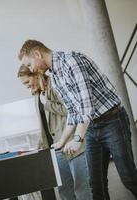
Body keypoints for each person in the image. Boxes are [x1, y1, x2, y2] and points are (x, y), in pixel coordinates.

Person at [18, 40, 137, 200]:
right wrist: (62, 141)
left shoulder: (71, 61)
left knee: (129, 178)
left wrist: (77, 138)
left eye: (30, 63)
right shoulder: (56, 75)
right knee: (96, 186)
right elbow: (74, 111)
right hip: (91, 128)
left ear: (38, 54)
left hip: (112, 122)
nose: (31, 69)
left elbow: (86, 106)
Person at [17, 65, 92, 200]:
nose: (27, 86)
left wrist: (47, 104)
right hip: (55, 148)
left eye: (28, 82)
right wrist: (41, 142)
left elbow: (71, 110)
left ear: (36, 75)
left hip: (71, 145)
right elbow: (44, 124)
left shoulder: (55, 85)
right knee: (64, 191)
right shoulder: (37, 94)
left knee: (82, 190)